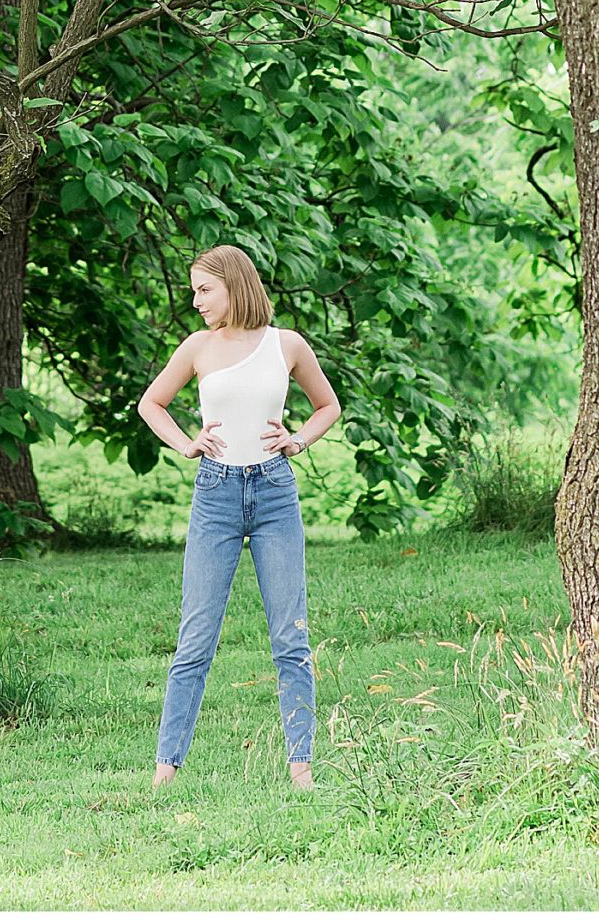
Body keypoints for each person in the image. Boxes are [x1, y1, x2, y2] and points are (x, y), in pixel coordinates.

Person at [136, 243, 342, 790]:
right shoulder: (198, 347)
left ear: (235, 284)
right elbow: (150, 404)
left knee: (290, 639)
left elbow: (329, 406)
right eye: (194, 291)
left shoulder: (287, 345)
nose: (197, 301)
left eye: (205, 289)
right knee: (195, 638)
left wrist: (297, 441)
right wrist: (188, 444)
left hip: (275, 494)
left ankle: (302, 771)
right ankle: (165, 773)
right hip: (216, 496)